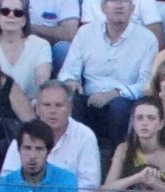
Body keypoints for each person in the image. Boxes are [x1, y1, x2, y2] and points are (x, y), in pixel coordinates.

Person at [59, 0, 159, 147]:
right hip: (88, 99)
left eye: (124, 1)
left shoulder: (147, 39)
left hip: (122, 102)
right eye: (113, 1)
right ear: (103, 8)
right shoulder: (85, 33)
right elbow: (67, 71)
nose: (119, 5)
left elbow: (145, 84)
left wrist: (114, 93)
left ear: (132, 8)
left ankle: (116, 158)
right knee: (70, 98)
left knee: (119, 106)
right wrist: (71, 81)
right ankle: (72, 153)